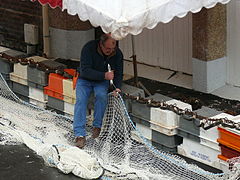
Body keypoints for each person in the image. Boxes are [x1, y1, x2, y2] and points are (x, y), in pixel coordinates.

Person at [73, 33, 123, 148]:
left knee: (101, 96)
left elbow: (119, 73)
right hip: (85, 79)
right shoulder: (88, 48)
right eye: (107, 48)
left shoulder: (118, 54)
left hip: (101, 81)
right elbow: (85, 70)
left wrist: (117, 87)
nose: (109, 51)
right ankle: (79, 134)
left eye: (112, 49)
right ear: (101, 44)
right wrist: (104, 75)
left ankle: (97, 126)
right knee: (81, 100)